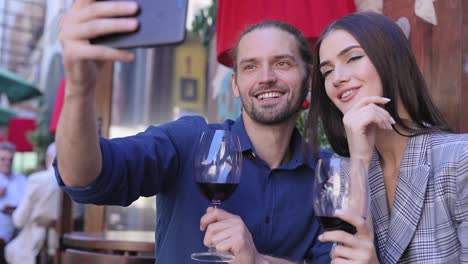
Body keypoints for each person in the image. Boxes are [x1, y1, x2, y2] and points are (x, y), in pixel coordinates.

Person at [55, 1, 331, 263]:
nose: (266, 76)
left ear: (308, 79)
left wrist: (258, 261)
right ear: (235, 85)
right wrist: (79, 89)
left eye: (282, 63)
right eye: (250, 66)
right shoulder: (189, 141)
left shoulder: (328, 174)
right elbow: (86, 178)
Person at [305, 11, 468, 263]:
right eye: (327, 71)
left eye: (353, 57)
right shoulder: (346, 174)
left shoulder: (460, 160)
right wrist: (359, 158)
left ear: (393, 59)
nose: (337, 78)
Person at [4, 143, 59, 264]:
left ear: (48, 157)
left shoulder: (36, 179)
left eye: (10, 159)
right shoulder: (79, 182)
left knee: (10, 249)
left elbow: (19, 221)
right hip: (63, 244)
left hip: (38, 244)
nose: (7, 162)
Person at [0, 142, 27, 263]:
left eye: (10, 160)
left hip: (19, 227)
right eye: (3, 159)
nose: (7, 163)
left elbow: (28, 203)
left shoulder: (22, 179)